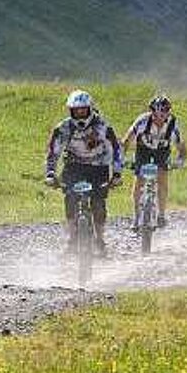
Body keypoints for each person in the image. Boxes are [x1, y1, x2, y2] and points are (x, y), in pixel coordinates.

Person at [44, 90, 123, 257]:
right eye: (76, 110)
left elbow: (116, 149)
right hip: (74, 166)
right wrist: (50, 173)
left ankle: (100, 239)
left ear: (90, 109)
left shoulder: (103, 126)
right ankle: (72, 239)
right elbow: (53, 152)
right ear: (70, 111)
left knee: (98, 202)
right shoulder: (63, 128)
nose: (80, 114)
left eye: (83, 110)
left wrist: (117, 174)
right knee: (70, 199)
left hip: (98, 167)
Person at [122, 94, 187, 230]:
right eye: (156, 113)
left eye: (163, 113)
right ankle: (136, 217)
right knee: (139, 180)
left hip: (162, 152)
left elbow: (181, 146)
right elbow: (127, 140)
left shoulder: (174, 124)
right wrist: (121, 158)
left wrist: (180, 160)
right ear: (151, 112)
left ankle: (161, 215)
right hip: (143, 150)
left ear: (168, 112)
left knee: (162, 179)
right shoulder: (142, 121)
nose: (159, 117)